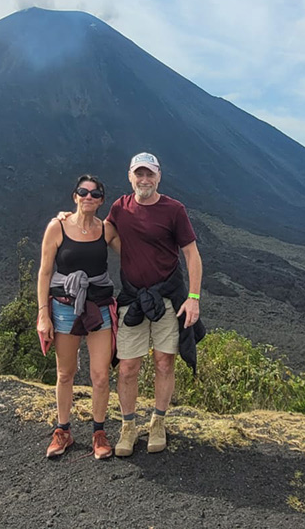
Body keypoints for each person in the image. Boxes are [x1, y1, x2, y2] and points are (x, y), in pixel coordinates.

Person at [106, 152, 205, 456]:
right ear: (130, 176)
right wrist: (67, 220)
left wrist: (194, 298)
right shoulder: (119, 208)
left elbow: (192, 255)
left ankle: (158, 421)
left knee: (164, 362)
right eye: (139, 174)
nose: (144, 179)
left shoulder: (174, 210)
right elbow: (101, 234)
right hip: (133, 299)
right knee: (127, 367)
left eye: (150, 174)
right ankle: (128, 426)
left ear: (159, 176)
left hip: (167, 299)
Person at [36, 174, 120, 460]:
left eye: (95, 194)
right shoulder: (57, 227)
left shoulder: (107, 230)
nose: (88, 197)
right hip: (63, 307)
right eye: (83, 192)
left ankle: (99, 432)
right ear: (74, 196)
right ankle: (63, 430)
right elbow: (45, 272)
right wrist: (42, 314)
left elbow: (134, 252)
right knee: (65, 373)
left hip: (98, 306)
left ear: (101, 201)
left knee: (100, 375)